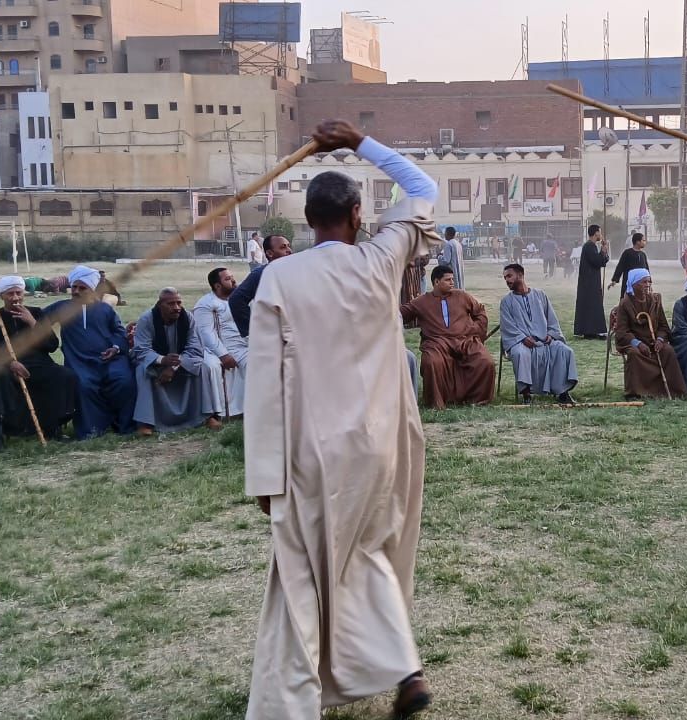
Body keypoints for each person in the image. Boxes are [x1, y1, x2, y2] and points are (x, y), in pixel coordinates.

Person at [244, 119, 437, 720]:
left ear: (308, 221)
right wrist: (359, 142)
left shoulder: (278, 276)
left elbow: (264, 387)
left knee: (303, 574)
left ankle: (295, 701)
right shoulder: (382, 260)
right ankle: (401, 669)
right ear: (356, 214)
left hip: (311, 452)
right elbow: (421, 188)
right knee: (368, 552)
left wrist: (263, 475)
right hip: (381, 442)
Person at [0, 276, 77, 446]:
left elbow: (52, 345)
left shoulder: (36, 314)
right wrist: (11, 363)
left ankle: (53, 428)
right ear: (2, 296)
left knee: (64, 375)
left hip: (38, 363)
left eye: (18, 292)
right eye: (10, 294)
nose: (16, 297)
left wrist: (33, 323)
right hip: (7, 366)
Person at [45, 266, 136, 439]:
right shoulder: (61, 307)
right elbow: (39, 319)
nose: (76, 291)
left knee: (124, 380)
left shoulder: (105, 309)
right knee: (83, 385)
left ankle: (124, 426)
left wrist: (115, 348)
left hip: (110, 359)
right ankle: (92, 430)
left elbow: (119, 332)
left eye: (82, 288)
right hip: (79, 360)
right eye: (74, 288)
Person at [401, 266, 495, 409]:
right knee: (431, 362)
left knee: (485, 361)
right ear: (436, 281)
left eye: (453, 279)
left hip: (465, 340)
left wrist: (475, 330)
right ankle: (437, 403)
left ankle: (478, 400)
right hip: (437, 343)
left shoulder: (462, 296)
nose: (452, 282)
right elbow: (400, 314)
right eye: (448, 280)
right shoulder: (421, 301)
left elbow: (480, 312)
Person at [131, 288, 214, 435]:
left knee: (204, 368)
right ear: (159, 305)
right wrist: (162, 360)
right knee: (142, 371)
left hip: (181, 362)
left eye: (179, 303)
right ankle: (146, 423)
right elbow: (141, 350)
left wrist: (173, 367)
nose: (176, 308)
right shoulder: (146, 319)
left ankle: (206, 417)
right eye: (171, 304)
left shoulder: (188, 318)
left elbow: (195, 348)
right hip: (155, 363)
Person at [499, 264, 578, 405]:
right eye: (505, 277)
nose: (507, 280)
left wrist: (551, 335)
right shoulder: (506, 302)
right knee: (520, 354)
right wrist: (522, 338)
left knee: (564, 351)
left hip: (545, 340)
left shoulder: (540, 295)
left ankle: (562, 392)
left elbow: (552, 319)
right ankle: (526, 394)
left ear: (521, 275)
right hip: (520, 342)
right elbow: (508, 326)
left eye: (509, 276)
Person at [614, 268, 687, 399]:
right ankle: (638, 391)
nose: (647, 285)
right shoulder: (625, 304)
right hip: (634, 342)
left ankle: (670, 390)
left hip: (654, 340)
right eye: (644, 282)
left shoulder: (655, 301)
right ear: (634, 284)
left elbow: (663, 326)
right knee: (634, 354)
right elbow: (622, 331)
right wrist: (638, 343)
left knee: (668, 351)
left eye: (649, 282)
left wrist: (660, 339)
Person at [194, 268, 247, 420]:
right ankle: (229, 413)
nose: (234, 281)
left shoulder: (239, 299)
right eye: (228, 279)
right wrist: (223, 355)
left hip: (242, 344)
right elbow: (206, 333)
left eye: (233, 277)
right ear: (217, 286)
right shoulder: (206, 304)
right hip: (221, 348)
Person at [230, 235, 293, 338]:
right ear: (269, 253)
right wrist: (254, 330)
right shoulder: (261, 274)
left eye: (288, 246)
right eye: (283, 247)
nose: (289, 250)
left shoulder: (296, 272)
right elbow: (236, 299)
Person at [574, 225, 611, 339]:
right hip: (589, 282)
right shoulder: (589, 246)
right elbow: (597, 261)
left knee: (593, 305)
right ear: (595, 233)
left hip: (591, 281)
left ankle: (592, 330)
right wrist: (603, 250)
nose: (601, 235)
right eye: (600, 232)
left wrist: (604, 250)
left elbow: (603, 260)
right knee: (591, 305)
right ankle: (589, 331)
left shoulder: (591, 246)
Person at [610, 231, 649, 297]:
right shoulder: (627, 253)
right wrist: (615, 280)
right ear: (637, 242)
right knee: (627, 303)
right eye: (643, 240)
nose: (645, 242)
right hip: (629, 284)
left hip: (640, 286)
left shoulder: (643, 255)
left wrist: (649, 281)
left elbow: (646, 269)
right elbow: (620, 266)